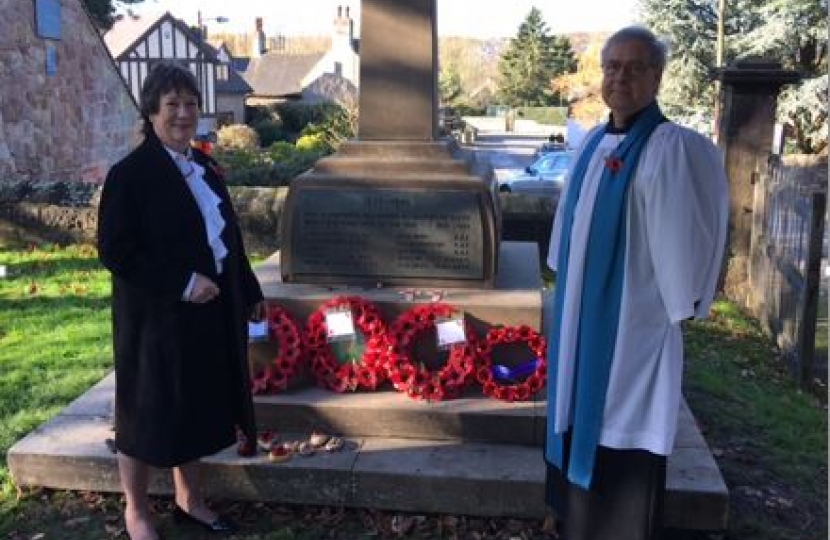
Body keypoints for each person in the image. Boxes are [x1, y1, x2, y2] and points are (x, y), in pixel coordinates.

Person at [543, 26, 729, 540]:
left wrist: (680, 301)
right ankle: (574, 522)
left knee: (620, 418)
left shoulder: (669, 148)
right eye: (612, 66)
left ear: (657, 77)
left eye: (635, 67)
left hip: (633, 325)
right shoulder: (591, 145)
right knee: (577, 409)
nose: (620, 77)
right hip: (581, 315)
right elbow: (567, 234)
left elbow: (680, 234)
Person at [97, 61, 265, 540]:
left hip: (205, 316)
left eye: (190, 104)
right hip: (153, 318)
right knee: (143, 414)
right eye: (172, 104)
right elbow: (115, 249)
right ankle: (137, 512)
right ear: (151, 111)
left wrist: (248, 290)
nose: (183, 113)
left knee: (188, 409)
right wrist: (182, 283)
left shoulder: (206, 168)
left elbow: (229, 237)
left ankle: (190, 500)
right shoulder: (129, 174)